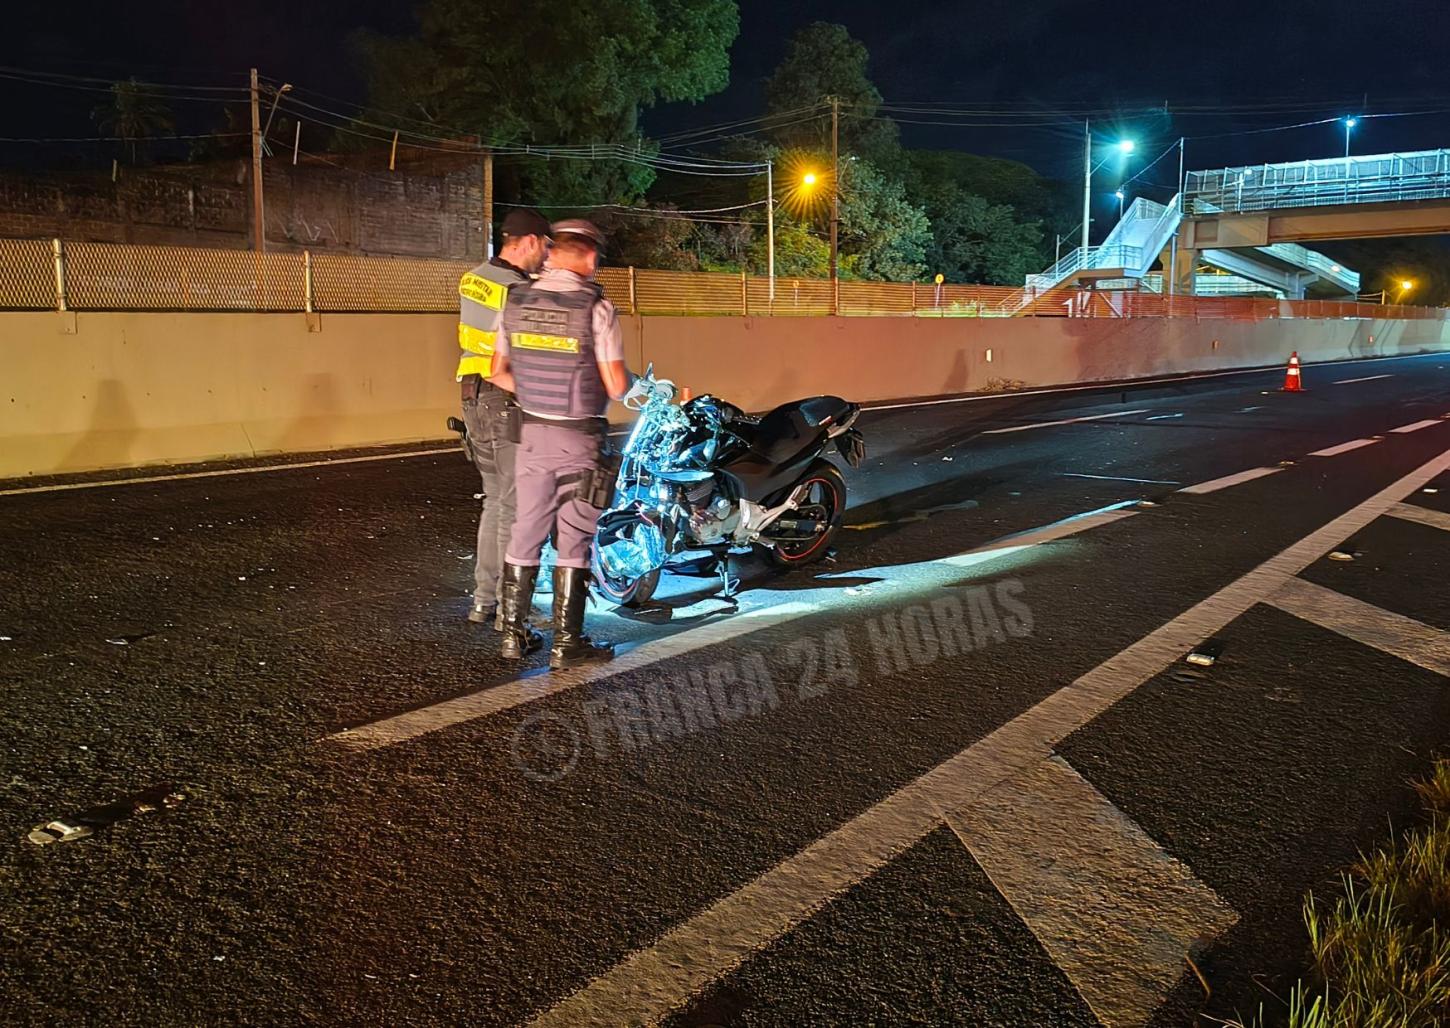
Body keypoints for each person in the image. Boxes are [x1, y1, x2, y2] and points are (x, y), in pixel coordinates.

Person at [488, 219, 632, 669]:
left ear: (551, 252)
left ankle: (513, 634)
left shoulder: (514, 299)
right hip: (580, 439)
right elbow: (615, 386)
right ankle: (568, 644)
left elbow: (496, 370)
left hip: (531, 434)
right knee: (575, 540)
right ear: (589, 256)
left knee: (525, 530)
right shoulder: (596, 307)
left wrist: (532, 394)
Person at [457, 208, 551, 628]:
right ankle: (512, 610)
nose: (546, 257)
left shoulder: (474, 276)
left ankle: (484, 601)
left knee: (495, 501)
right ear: (529, 241)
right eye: (545, 247)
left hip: (472, 395)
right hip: (505, 396)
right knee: (515, 508)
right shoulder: (517, 289)